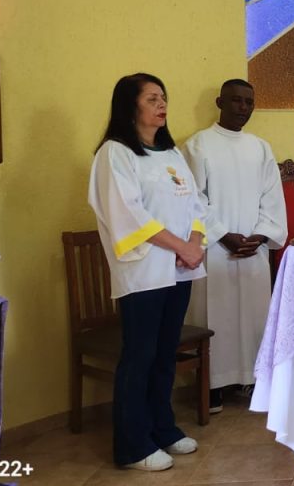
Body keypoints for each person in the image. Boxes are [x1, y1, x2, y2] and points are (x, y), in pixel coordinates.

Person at [88, 73, 206, 471]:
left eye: (164, 97)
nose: (162, 104)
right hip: (143, 273)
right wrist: (182, 247)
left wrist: (194, 244)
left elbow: (196, 206)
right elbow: (128, 213)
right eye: (152, 98)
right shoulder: (115, 154)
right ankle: (133, 445)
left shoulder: (172, 155)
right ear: (130, 105)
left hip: (178, 271)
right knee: (139, 356)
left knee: (164, 354)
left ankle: (164, 429)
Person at [183, 79, 287, 413]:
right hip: (214, 249)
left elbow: (272, 198)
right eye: (236, 101)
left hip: (252, 250)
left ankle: (249, 378)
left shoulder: (260, 147)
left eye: (249, 102)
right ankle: (211, 385)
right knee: (218, 318)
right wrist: (222, 234)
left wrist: (260, 235)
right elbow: (192, 198)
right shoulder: (198, 145)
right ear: (220, 102)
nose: (244, 108)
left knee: (252, 317)